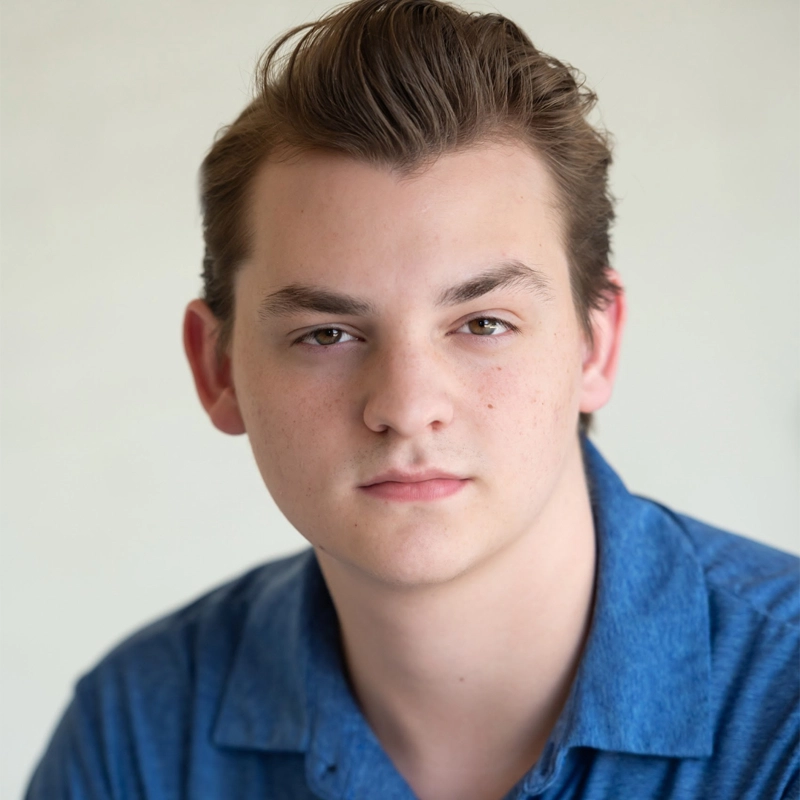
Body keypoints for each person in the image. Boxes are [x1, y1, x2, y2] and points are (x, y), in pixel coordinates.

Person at [26, 0, 799, 797]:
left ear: (594, 344)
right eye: (327, 334)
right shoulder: (137, 736)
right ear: (217, 369)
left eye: (483, 322)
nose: (405, 405)